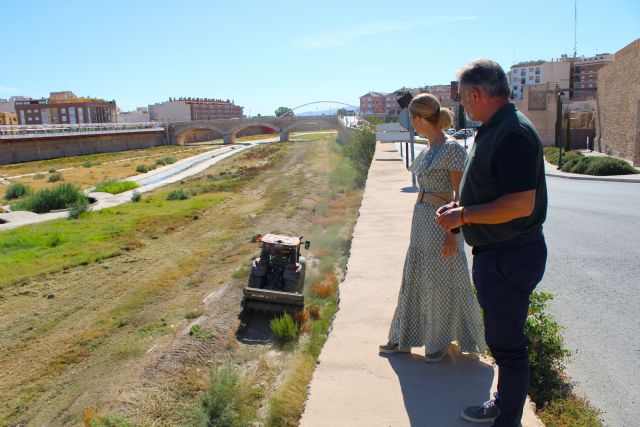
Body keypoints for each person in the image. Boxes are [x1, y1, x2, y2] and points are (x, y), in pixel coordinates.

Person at [435, 59, 548, 426]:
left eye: (462, 96)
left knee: (508, 347)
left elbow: (520, 204)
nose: (462, 104)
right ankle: (503, 403)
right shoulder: (494, 127)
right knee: (502, 342)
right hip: (500, 254)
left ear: (476, 93)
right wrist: (462, 206)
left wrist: (464, 216)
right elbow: (493, 187)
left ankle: (507, 419)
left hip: (509, 256)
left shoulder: (513, 132)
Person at [379, 93, 485, 363]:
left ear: (417, 118)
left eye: (412, 119)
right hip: (422, 225)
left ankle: (437, 342)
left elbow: (460, 197)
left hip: (442, 227)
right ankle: (401, 337)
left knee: (440, 284)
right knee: (414, 279)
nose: (411, 123)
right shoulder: (429, 148)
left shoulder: (451, 149)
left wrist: (452, 234)